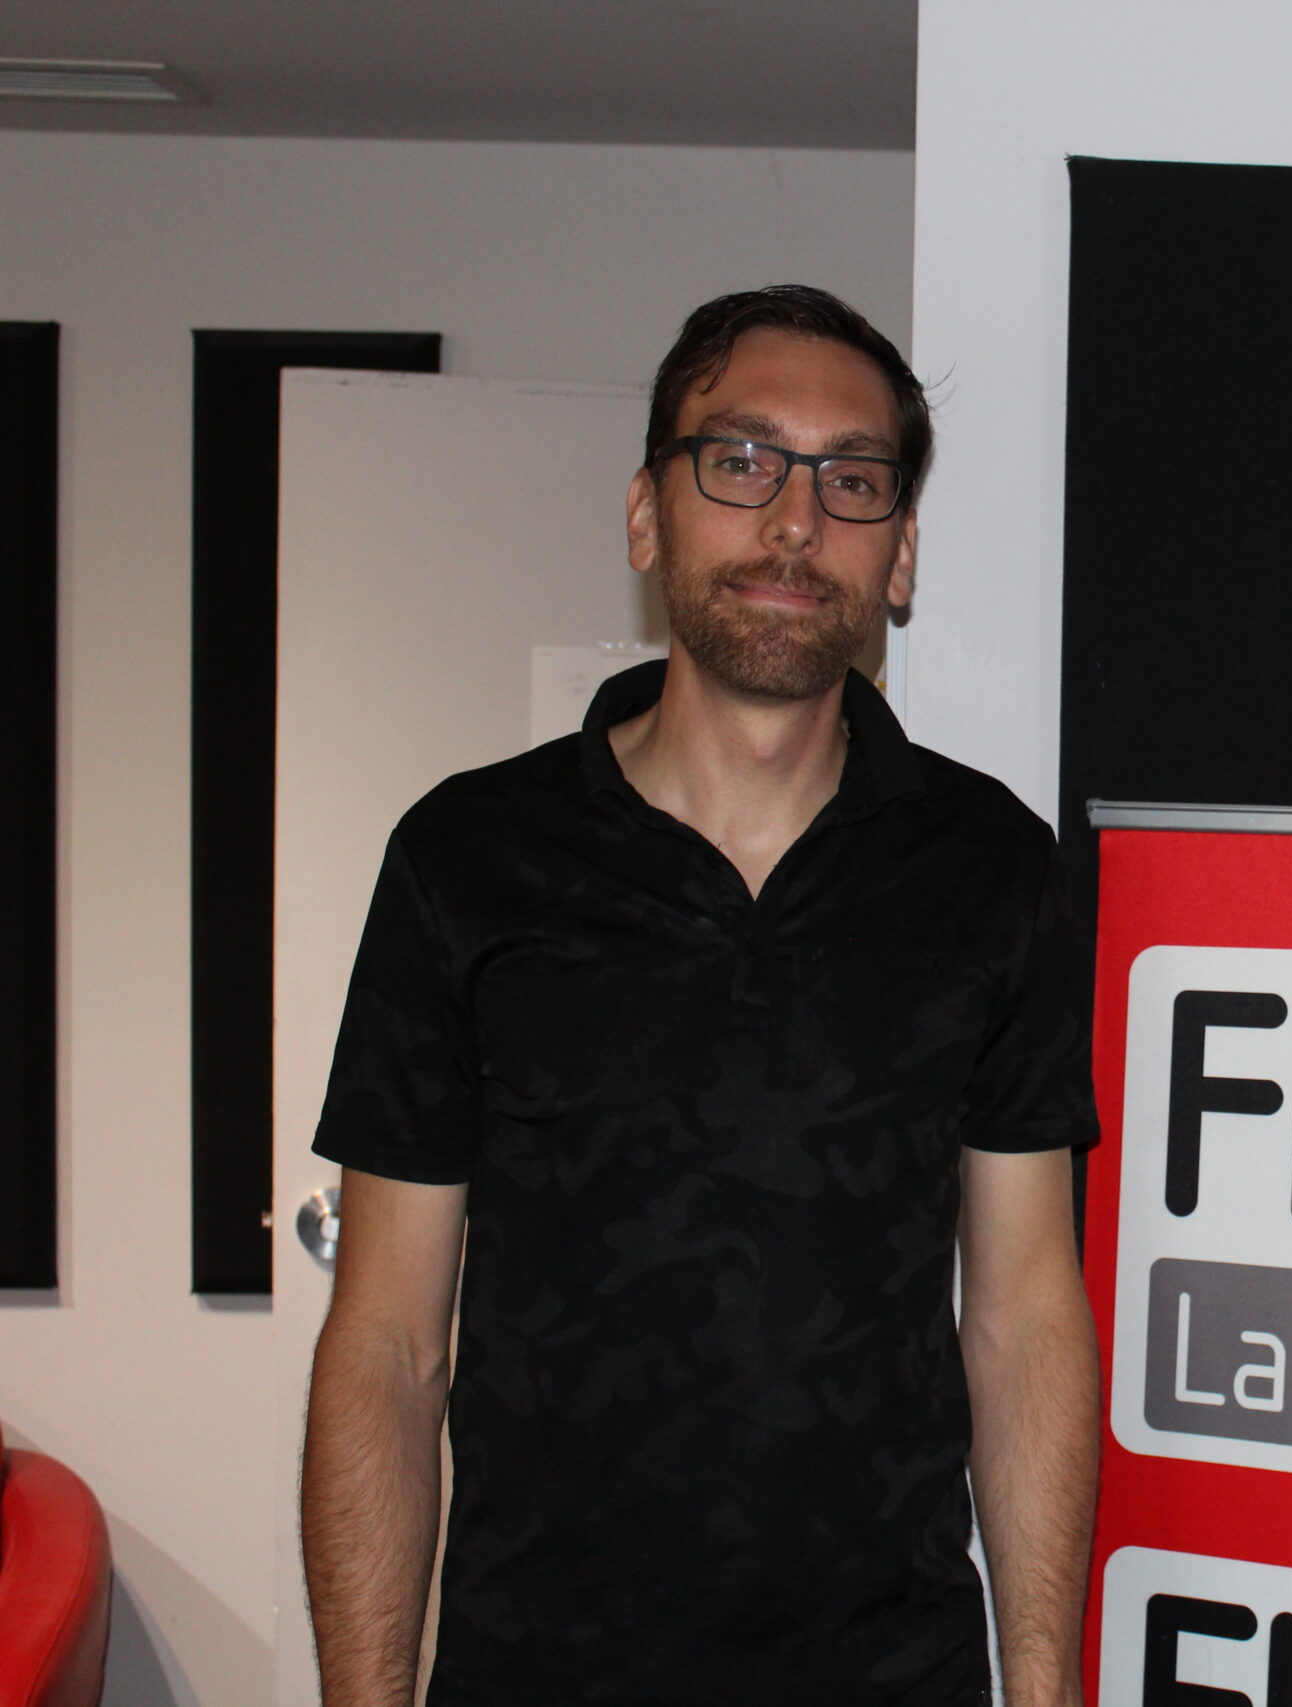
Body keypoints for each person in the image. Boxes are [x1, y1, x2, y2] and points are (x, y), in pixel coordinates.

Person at [299, 286, 1100, 1707]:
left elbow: (1025, 1315)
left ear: (901, 551)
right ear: (645, 515)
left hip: (889, 1678)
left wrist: (1044, 1694)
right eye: (740, 461)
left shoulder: (994, 871)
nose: (794, 522)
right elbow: (387, 1343)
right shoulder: (466, 859)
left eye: (851, 480)